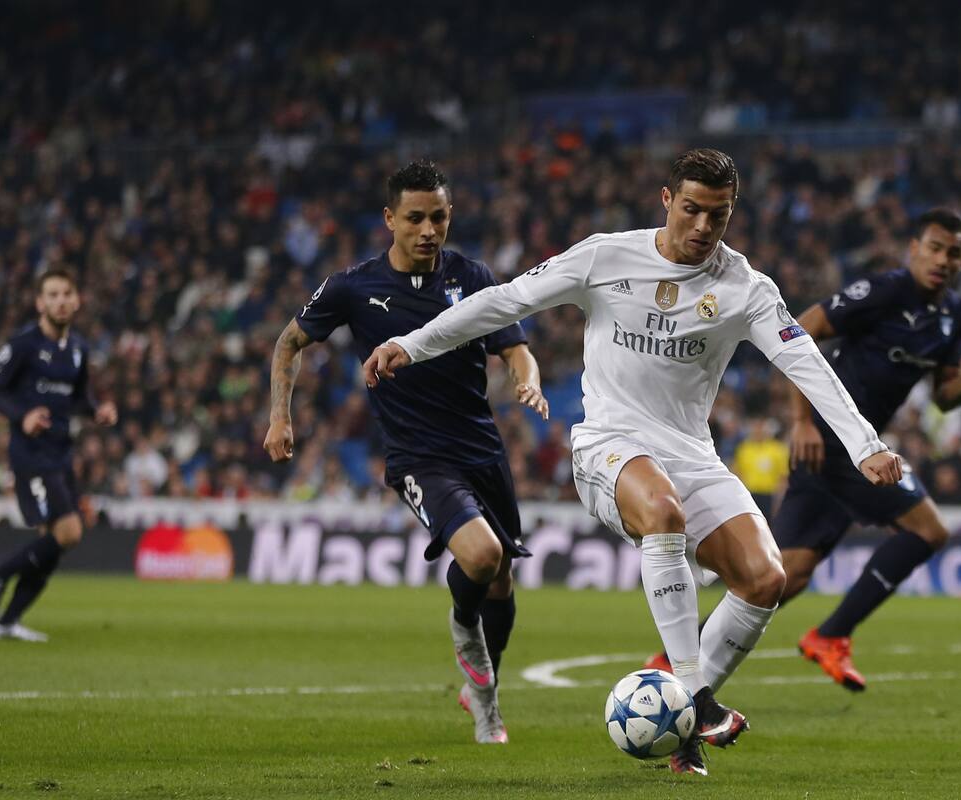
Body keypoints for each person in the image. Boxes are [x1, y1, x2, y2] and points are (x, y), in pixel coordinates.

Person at [363, 149, 903, 775]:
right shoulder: (605, 258)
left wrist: (865, 445)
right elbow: (504, 302)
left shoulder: (745, 288)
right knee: (663, 511)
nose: (703, 226)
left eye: (719, 215)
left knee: (765, 579)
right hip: (609, 445)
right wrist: (412, 344)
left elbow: (804, 361)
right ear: (666, 200)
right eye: (692, 209)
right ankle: (696, 698)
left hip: (691, 453)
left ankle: (685, 730)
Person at [263, 161, 548, 745]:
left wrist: (528, 380)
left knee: (501, 581)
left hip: (482, 451)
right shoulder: (353, 287)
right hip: (419, 456)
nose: (428, 230)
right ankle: (462, 625)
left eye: (438, 217)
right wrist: (279, 417)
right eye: (415, 218)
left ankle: (485, 696)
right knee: (482, 556)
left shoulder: (473, 276)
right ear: (390, 219)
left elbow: (515, 347)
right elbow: (289, 343)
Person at [647, 209, 961, 692]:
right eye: (934, 248)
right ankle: (831, 636)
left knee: (790, 572)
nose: (942, 260)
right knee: (928, 530)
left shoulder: (953, 316)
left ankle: (672, 658)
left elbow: (942, 396)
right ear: (913, 248)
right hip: (833, 438)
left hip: (858, 447)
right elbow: (800, 329)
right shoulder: (883, 291)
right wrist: (802, 421)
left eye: (953, 253)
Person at [0, 268, 119, 642]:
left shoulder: (78, 349)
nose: (60, 301)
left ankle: (7, 622)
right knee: (69, 532)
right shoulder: (22, 345)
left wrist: (97, 411)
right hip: (31, 455)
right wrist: (22, 416)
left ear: (77, 301)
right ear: (40, 303)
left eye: (66, 294)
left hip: (61, 452)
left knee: (53, 544)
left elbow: (79, 398)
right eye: (52, 295)